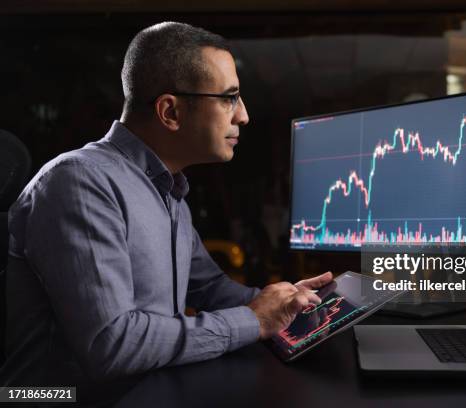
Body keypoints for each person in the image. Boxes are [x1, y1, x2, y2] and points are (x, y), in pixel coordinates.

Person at [0, 21, 332, 387]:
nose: (243, 115)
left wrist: (286, 301)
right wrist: (255, 321)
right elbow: (112, 344)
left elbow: (211, 290)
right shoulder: (80, 183)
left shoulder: (169, 194)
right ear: (170, 112)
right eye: (229, 98)